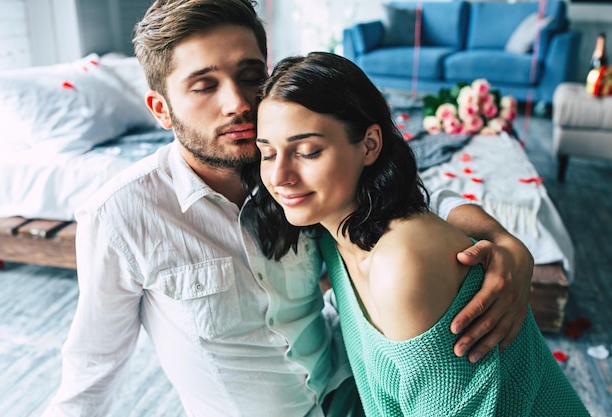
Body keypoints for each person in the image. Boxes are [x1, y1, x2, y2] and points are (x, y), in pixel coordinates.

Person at [42, 1, 535, 416]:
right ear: (161, 108)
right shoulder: (121, 216)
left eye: (249, 75)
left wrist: (503, 240)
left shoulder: (290, 169)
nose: (238, 103)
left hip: (355, 396)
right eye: (205, 85)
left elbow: (407, 193)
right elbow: (91, 368)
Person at [250, 51, 590, 417]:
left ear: (370, 145)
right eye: (267, 153)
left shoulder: (404, 259)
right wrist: (498, 234)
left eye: (308, 151)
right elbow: (436, 197)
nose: (279, 176)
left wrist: (504, 240)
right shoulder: (332, 231)